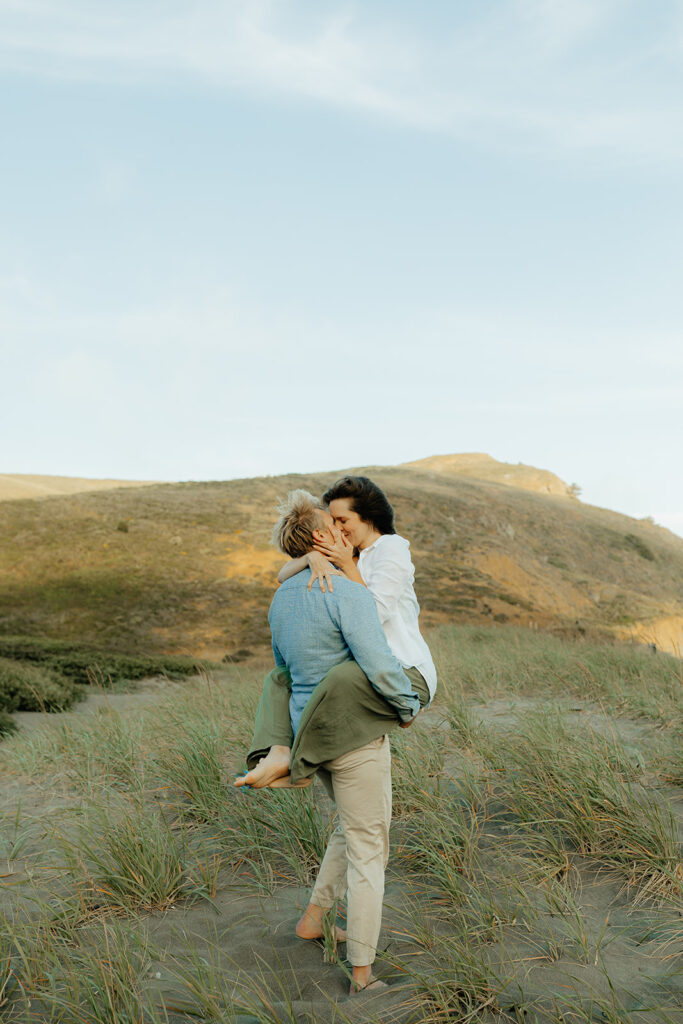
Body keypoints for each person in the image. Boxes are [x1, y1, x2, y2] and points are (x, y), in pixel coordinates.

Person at [240, 489, 425, 993]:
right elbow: (379, 663)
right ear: (320, 538)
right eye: (332, 526)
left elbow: (282, 667)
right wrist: (408, 708)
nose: (342, 531)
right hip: (352, 737)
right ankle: (363, 974)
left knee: (350, 826)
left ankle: (313, 920)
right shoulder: (345, 591)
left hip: (308, 735)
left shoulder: (281, 598)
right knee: (371, 849)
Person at [236, 476, 437, 789]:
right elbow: (281, 575)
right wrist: (310, 556)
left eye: (343, 520)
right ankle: (278, 752)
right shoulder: (344, 554)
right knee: (280, 677)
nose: (338, 528)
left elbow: (374, 613)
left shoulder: (391, 548)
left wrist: (346, 564)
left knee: (338, 679)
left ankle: (300, 765)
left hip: (402, 668)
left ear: (368, 518)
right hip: (365, 667)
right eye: (333, 521)